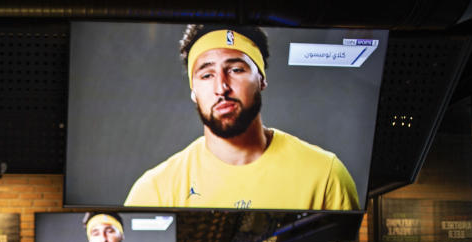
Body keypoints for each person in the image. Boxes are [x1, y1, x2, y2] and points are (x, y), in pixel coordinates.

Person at [123, 24, 359, 210]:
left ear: (262, 79)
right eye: (206, 75)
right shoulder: (154, 191)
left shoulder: (326, 174)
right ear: (193, 91)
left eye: (236, 70)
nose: (221, 87)